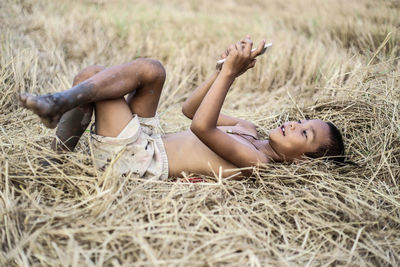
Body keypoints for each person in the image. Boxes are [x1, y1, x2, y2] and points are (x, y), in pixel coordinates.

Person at [19, 37, 345, 180]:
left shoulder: (257, 162)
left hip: (142, 162)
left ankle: (55, 156)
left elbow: (201, 128)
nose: (294, 124)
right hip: (150, 139)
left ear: (303, 163)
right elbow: (191, 109)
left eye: (304, 133)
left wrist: (230, 75)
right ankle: (59, 104)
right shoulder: (248, 129)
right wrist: (220, 72)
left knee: (90, 77)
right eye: (302, 120)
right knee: (153, 70)